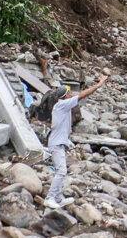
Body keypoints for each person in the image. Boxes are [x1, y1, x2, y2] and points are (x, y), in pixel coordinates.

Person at [45, 75, 109, 209]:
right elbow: (82, 95)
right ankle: (50, 197)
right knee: (61, 171)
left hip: (59, 142)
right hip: (56, 143)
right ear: (66, 95)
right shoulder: (63, 104)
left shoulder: (63, 106)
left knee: (61, 170)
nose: (71, 93)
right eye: (69, 92)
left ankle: (58, 198)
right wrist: (98, 86)